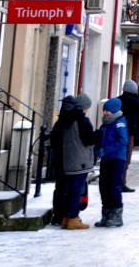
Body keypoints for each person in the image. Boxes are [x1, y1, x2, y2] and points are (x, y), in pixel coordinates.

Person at [50, 93, 99, 230]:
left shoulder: (63, 120)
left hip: (65, 160)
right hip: (79, 160)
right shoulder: (81, 120)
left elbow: (54, 139)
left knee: (65, 189)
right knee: (76, 190)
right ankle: (73, 218)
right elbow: (89, 139)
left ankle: (64, 217)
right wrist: (98, 134)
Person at [95, 98, 129, 228]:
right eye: (104, 110)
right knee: (104, 187)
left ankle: (116, 216)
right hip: (106, 159)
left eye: (108, 110)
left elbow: (123, 141)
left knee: (114, 187)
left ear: (114, 110)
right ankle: (106, 214)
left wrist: (107, 150)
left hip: (116, 159)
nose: (105, 112)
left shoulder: (119, 123)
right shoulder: (105, 124)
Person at [118, 79, 139, 189]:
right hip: (129, 132)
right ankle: (121, 183)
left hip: (117, 131)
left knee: (118, 157)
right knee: (126, 158)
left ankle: (117, 182)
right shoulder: (135, 102)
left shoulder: (118, 100)